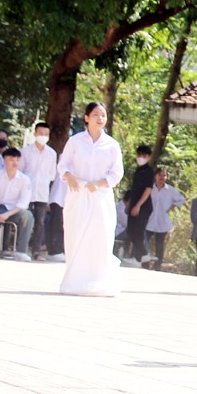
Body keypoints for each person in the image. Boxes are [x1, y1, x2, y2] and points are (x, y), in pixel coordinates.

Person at [57, 102, 125, 296]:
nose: (100, 118)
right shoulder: (76, 141)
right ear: (86, 117)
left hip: (100, 196)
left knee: (100, 235)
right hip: (78, 195)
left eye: (103, 115)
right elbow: (63, 165)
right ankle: (75, 280)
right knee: (76, 235)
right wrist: (69, 176)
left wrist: (101, 183)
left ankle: (98, 280)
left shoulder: (112, 145)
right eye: (96, 114)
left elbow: (117, 172)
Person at [19, 123, 57, 261]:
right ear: (35, 133)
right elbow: (21, 172)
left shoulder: (51, 154)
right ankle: (21, 249)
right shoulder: (25, 151)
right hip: (27, 192)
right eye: (41, 133)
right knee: (25, 219)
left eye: (46, 134)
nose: (43, 137)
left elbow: (52, 174)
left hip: (42, 192)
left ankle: (36, 251)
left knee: (40, 222)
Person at [143, 167, 185, 271]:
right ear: (155, 176)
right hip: (150, 219)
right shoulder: (150, 188)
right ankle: (145, 264)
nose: (162, 177)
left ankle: (157, 266)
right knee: (145, 241)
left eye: (164, 175)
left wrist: (172, 206)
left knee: (159, 244)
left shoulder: (170, 190)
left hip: (162, 220)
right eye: (159, 175)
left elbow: (181, 199)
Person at [121, 145, 155, 266]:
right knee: (131, 230)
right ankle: (144, 254)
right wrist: (129, 204)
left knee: (138, 231)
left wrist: (138, 205)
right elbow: (134, 190)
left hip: (143, 206)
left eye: (144, 155)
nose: (141, 157)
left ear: (149, 157)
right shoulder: (137, 170)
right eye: (139, 155)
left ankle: (138, 258)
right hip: (134, 204)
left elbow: (148, 190)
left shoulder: (149, 171)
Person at [47, 169, 67, 263]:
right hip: (59, 196)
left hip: (71, 197)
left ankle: (63, 249)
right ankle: (54, 251)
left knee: (66, 225)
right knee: (57, 224)